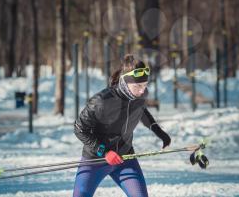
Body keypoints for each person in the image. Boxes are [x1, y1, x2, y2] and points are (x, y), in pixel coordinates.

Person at [73, 54, 171, 197]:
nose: (142, 90)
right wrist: (104, 152)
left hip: (125, 158)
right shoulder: (102, 101)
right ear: (125, 81)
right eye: (138, 85)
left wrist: (159, 131)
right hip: (96, 159)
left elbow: (141, 111)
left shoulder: (139, 96)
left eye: (145, 85)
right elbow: (79, 128)